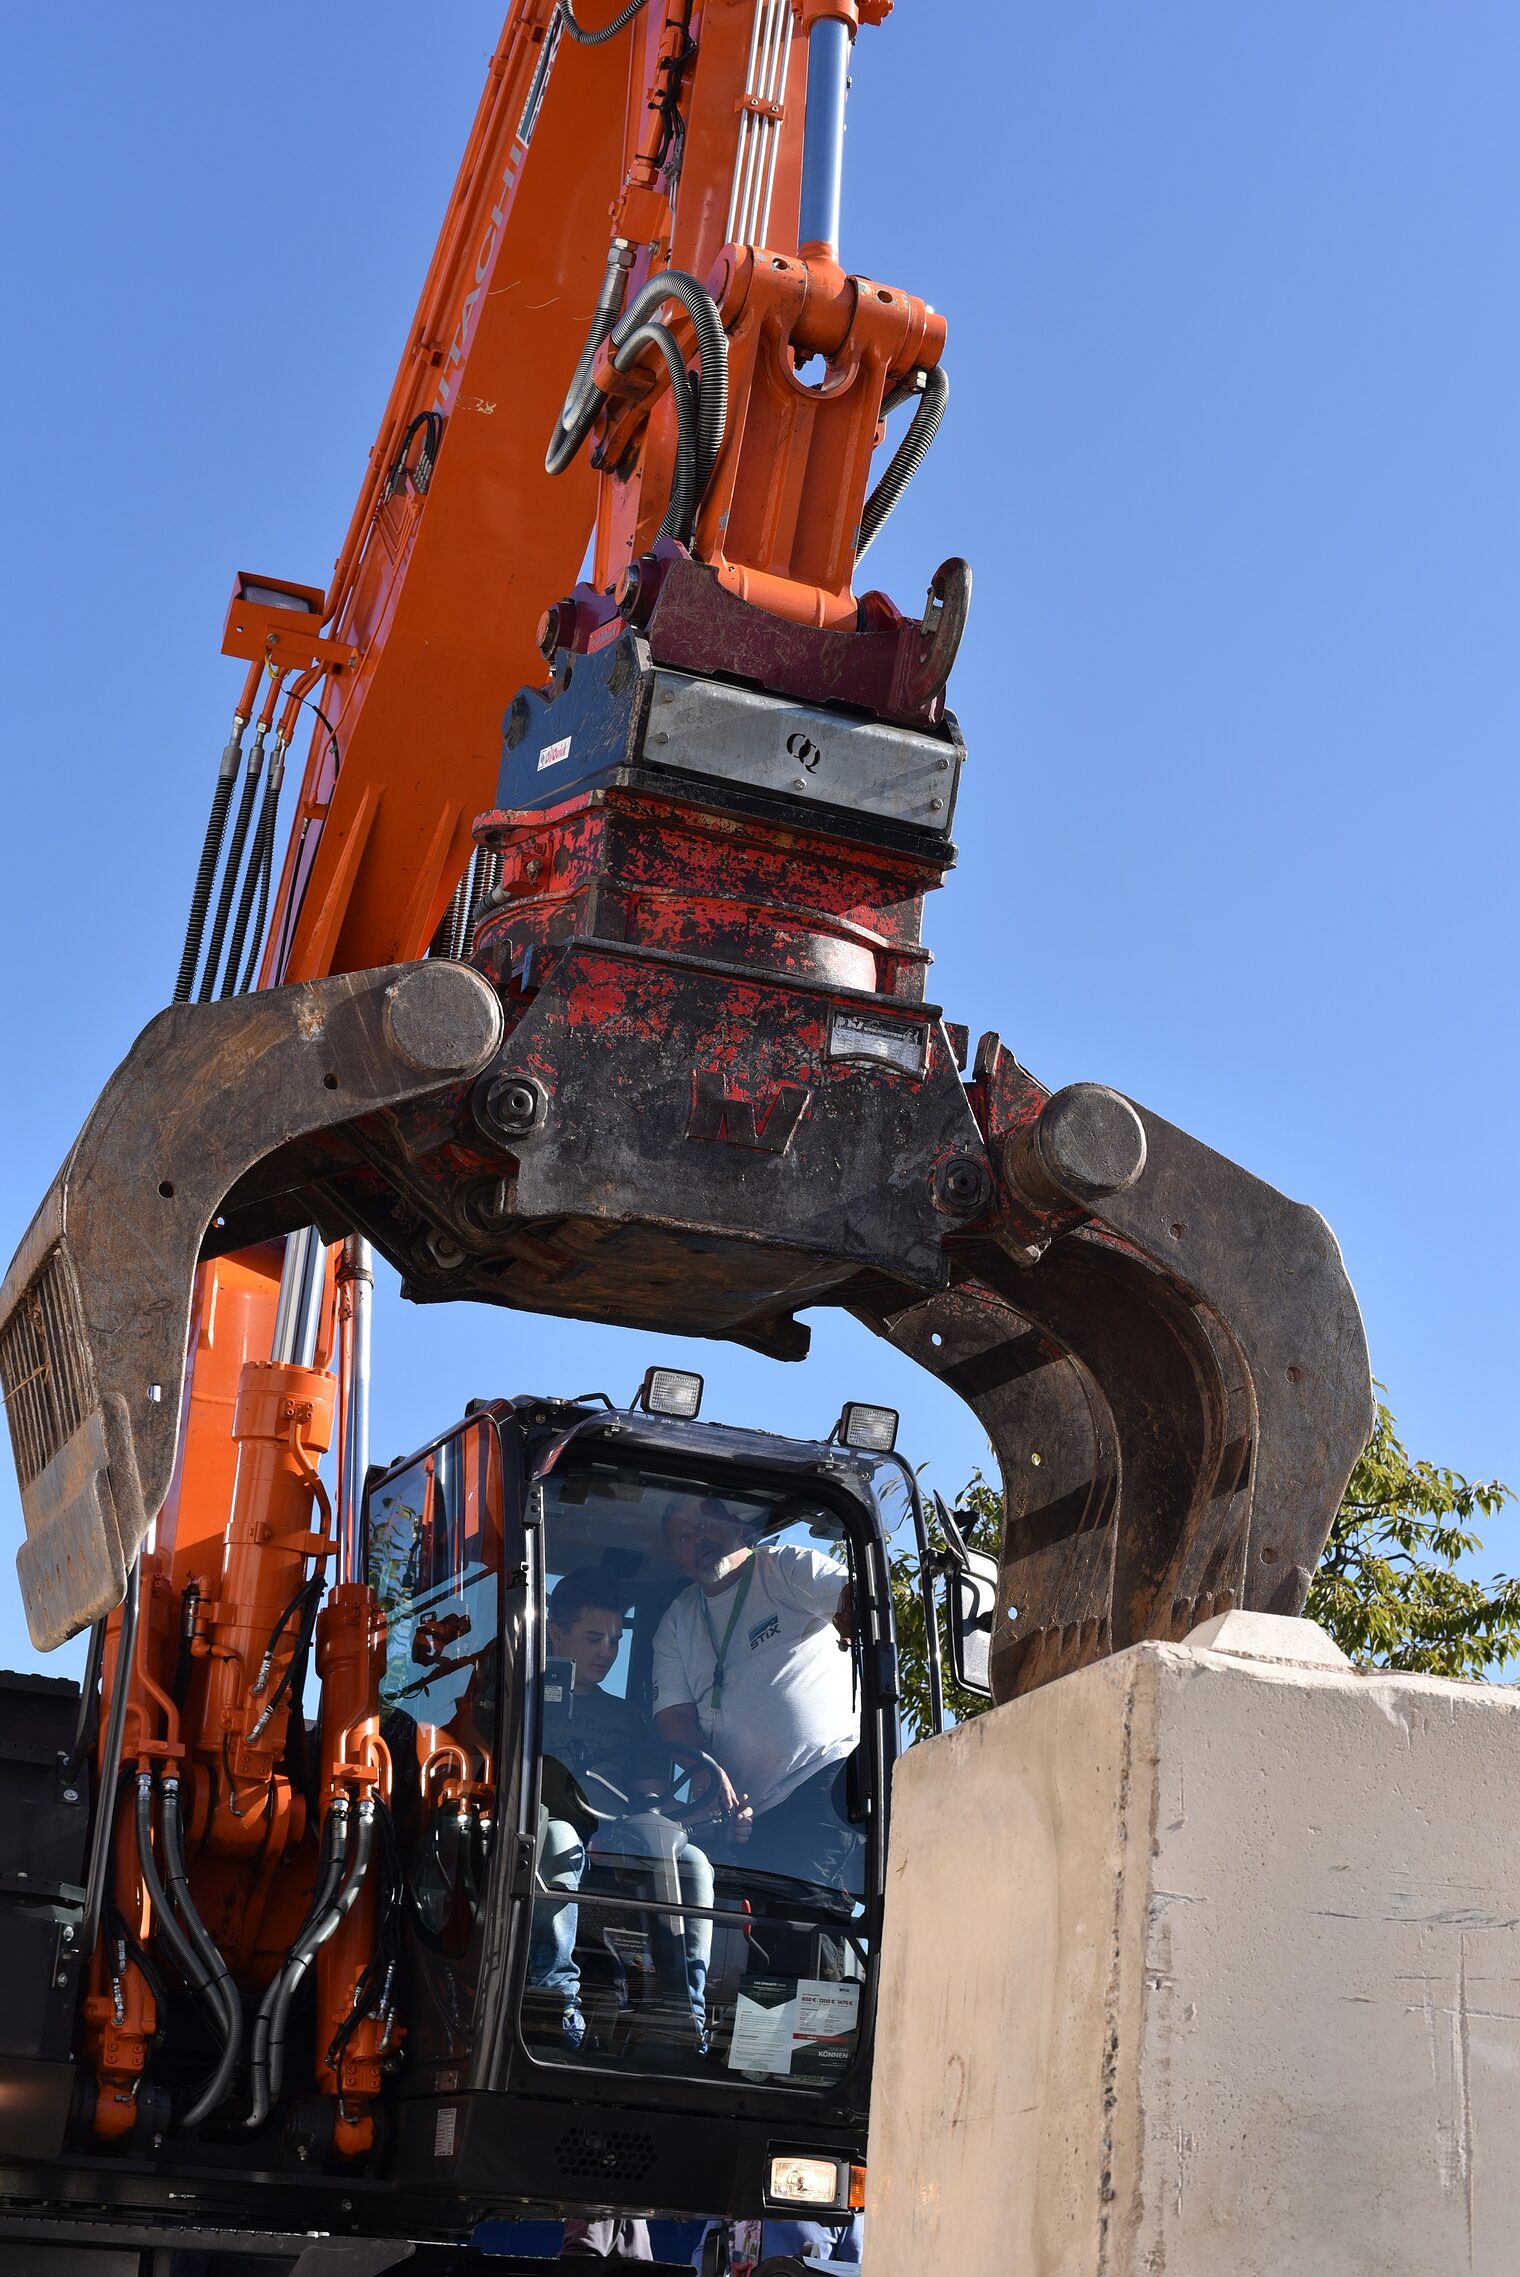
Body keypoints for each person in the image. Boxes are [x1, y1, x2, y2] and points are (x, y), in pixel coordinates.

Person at [530, 1568, 713, 2052]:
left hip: (615, 1854)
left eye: (614, 1640)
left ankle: (681, 2011)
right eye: (594, 1638)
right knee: (561, 1837)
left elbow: (651, 1800)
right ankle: (551, 1993)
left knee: (693, 1863)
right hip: (535, 1847)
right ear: (555, 1632)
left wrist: (714, 1809)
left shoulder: (626, 1716)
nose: (607, 1652)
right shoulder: (522, 1699)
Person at [651, 1498, 861, 1895]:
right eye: (684, 1536)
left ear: (736, 1526)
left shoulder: (785, 1568)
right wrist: (706, 1776)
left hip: (821, 1782)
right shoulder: (677, 1621)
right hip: (739, 1811)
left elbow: (856, 1597)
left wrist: (852, 1610)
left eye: (705, 1524)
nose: (698, 1538)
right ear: (677, 1560)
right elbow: (674, 1719)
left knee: (808, 1918)